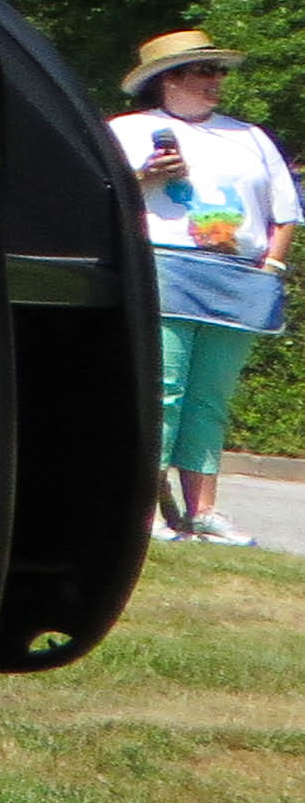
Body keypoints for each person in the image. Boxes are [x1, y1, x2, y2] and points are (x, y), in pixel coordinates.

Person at [109, 30, 296, 543]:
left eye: (220, 72)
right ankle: (144, 509)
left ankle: (202, 511)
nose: (217, 81)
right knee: (162, 392)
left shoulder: (251, 137)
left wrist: (272, 267)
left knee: (209, 400)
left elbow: (284, 214)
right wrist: (145, 177)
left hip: (237, 277)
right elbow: (98, 200)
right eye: (204, 71)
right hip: (163, 267)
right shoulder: (127, 130)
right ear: (169, 79)